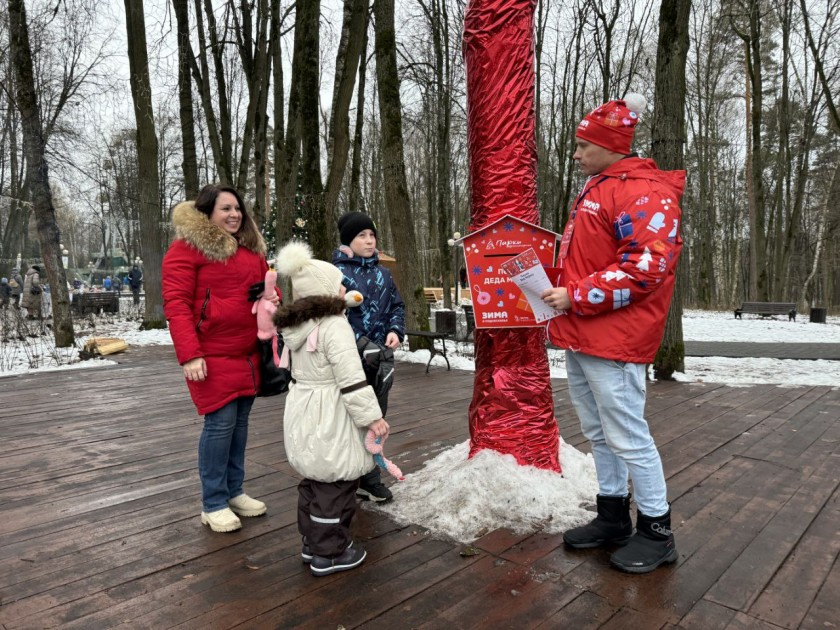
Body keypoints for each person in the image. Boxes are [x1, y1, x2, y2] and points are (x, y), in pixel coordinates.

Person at [541, 94, 684, 574]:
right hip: (583, 333)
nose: (576, 155)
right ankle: (612, 516)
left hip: (615, 337)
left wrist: (575, 295)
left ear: (610, 147)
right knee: (600, 433)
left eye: (583, 146)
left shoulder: (646, 192)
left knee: (628, 435)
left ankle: (657, 531)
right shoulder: (599, 187)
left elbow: (648, 268)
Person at [162, 183, 279, 533]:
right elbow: (176, 304)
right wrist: (189, 354)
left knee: (239, 425)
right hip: (209, 355)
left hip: (247, 353)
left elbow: (268, 291)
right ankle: (213, 502)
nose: (234, 214)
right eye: (225, 208)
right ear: (207, 212)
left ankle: (234, 491)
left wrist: (273, 298)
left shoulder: (251, 252)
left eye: (237, 208)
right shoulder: (187, 249)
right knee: (220, 424)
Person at [274, 240, 389, 576]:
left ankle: (311, 543)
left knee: (314, 478)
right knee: (336, 482)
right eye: (339, 284)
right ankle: (331, 552)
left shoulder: (298, 326)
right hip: (331, 409)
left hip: (304, 405)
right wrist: (373, 418)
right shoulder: (335, 326)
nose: (344, 288)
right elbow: (351, 378)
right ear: (326, 292)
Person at [332, 211, 405, 503]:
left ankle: (369, 475)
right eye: (361, 235)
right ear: (349, 241)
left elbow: (397, 306)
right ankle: (346, 476)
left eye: (371, 235)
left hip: (381, 357)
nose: (368, 240)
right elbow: (331, 314)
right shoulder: (334, 273)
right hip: (349, 358)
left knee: (377, 416)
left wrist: (395, 331)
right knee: (349, 417)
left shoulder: (383, 274)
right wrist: (357, 343)